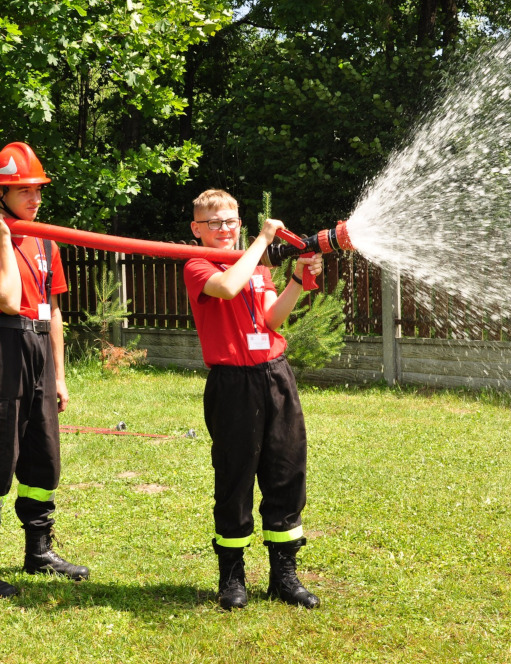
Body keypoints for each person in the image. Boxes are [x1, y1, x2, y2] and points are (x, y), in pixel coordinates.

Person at [0, 141, 89, 599]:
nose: (34, 199)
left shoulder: (47, 237)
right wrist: (3, 240)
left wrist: (60, 374)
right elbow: (9, 300)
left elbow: (52, 311)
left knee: (43, 456)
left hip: (37, 348)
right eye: (23, 191)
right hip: (3, 344)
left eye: (37, 190)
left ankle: (39, 551)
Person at [183, 188, 323, 611]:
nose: (224, 229)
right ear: (197, 230)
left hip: (275, 374)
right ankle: (232, 577)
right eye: (214, 223)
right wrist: (261, 242)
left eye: (231, 222)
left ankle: (284, 576)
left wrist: (298, 278)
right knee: (235, 476)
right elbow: (226, 288)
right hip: (232, 383)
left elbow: (271, 319)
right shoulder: (197, 264)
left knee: (285, 471)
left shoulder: (257, 270)